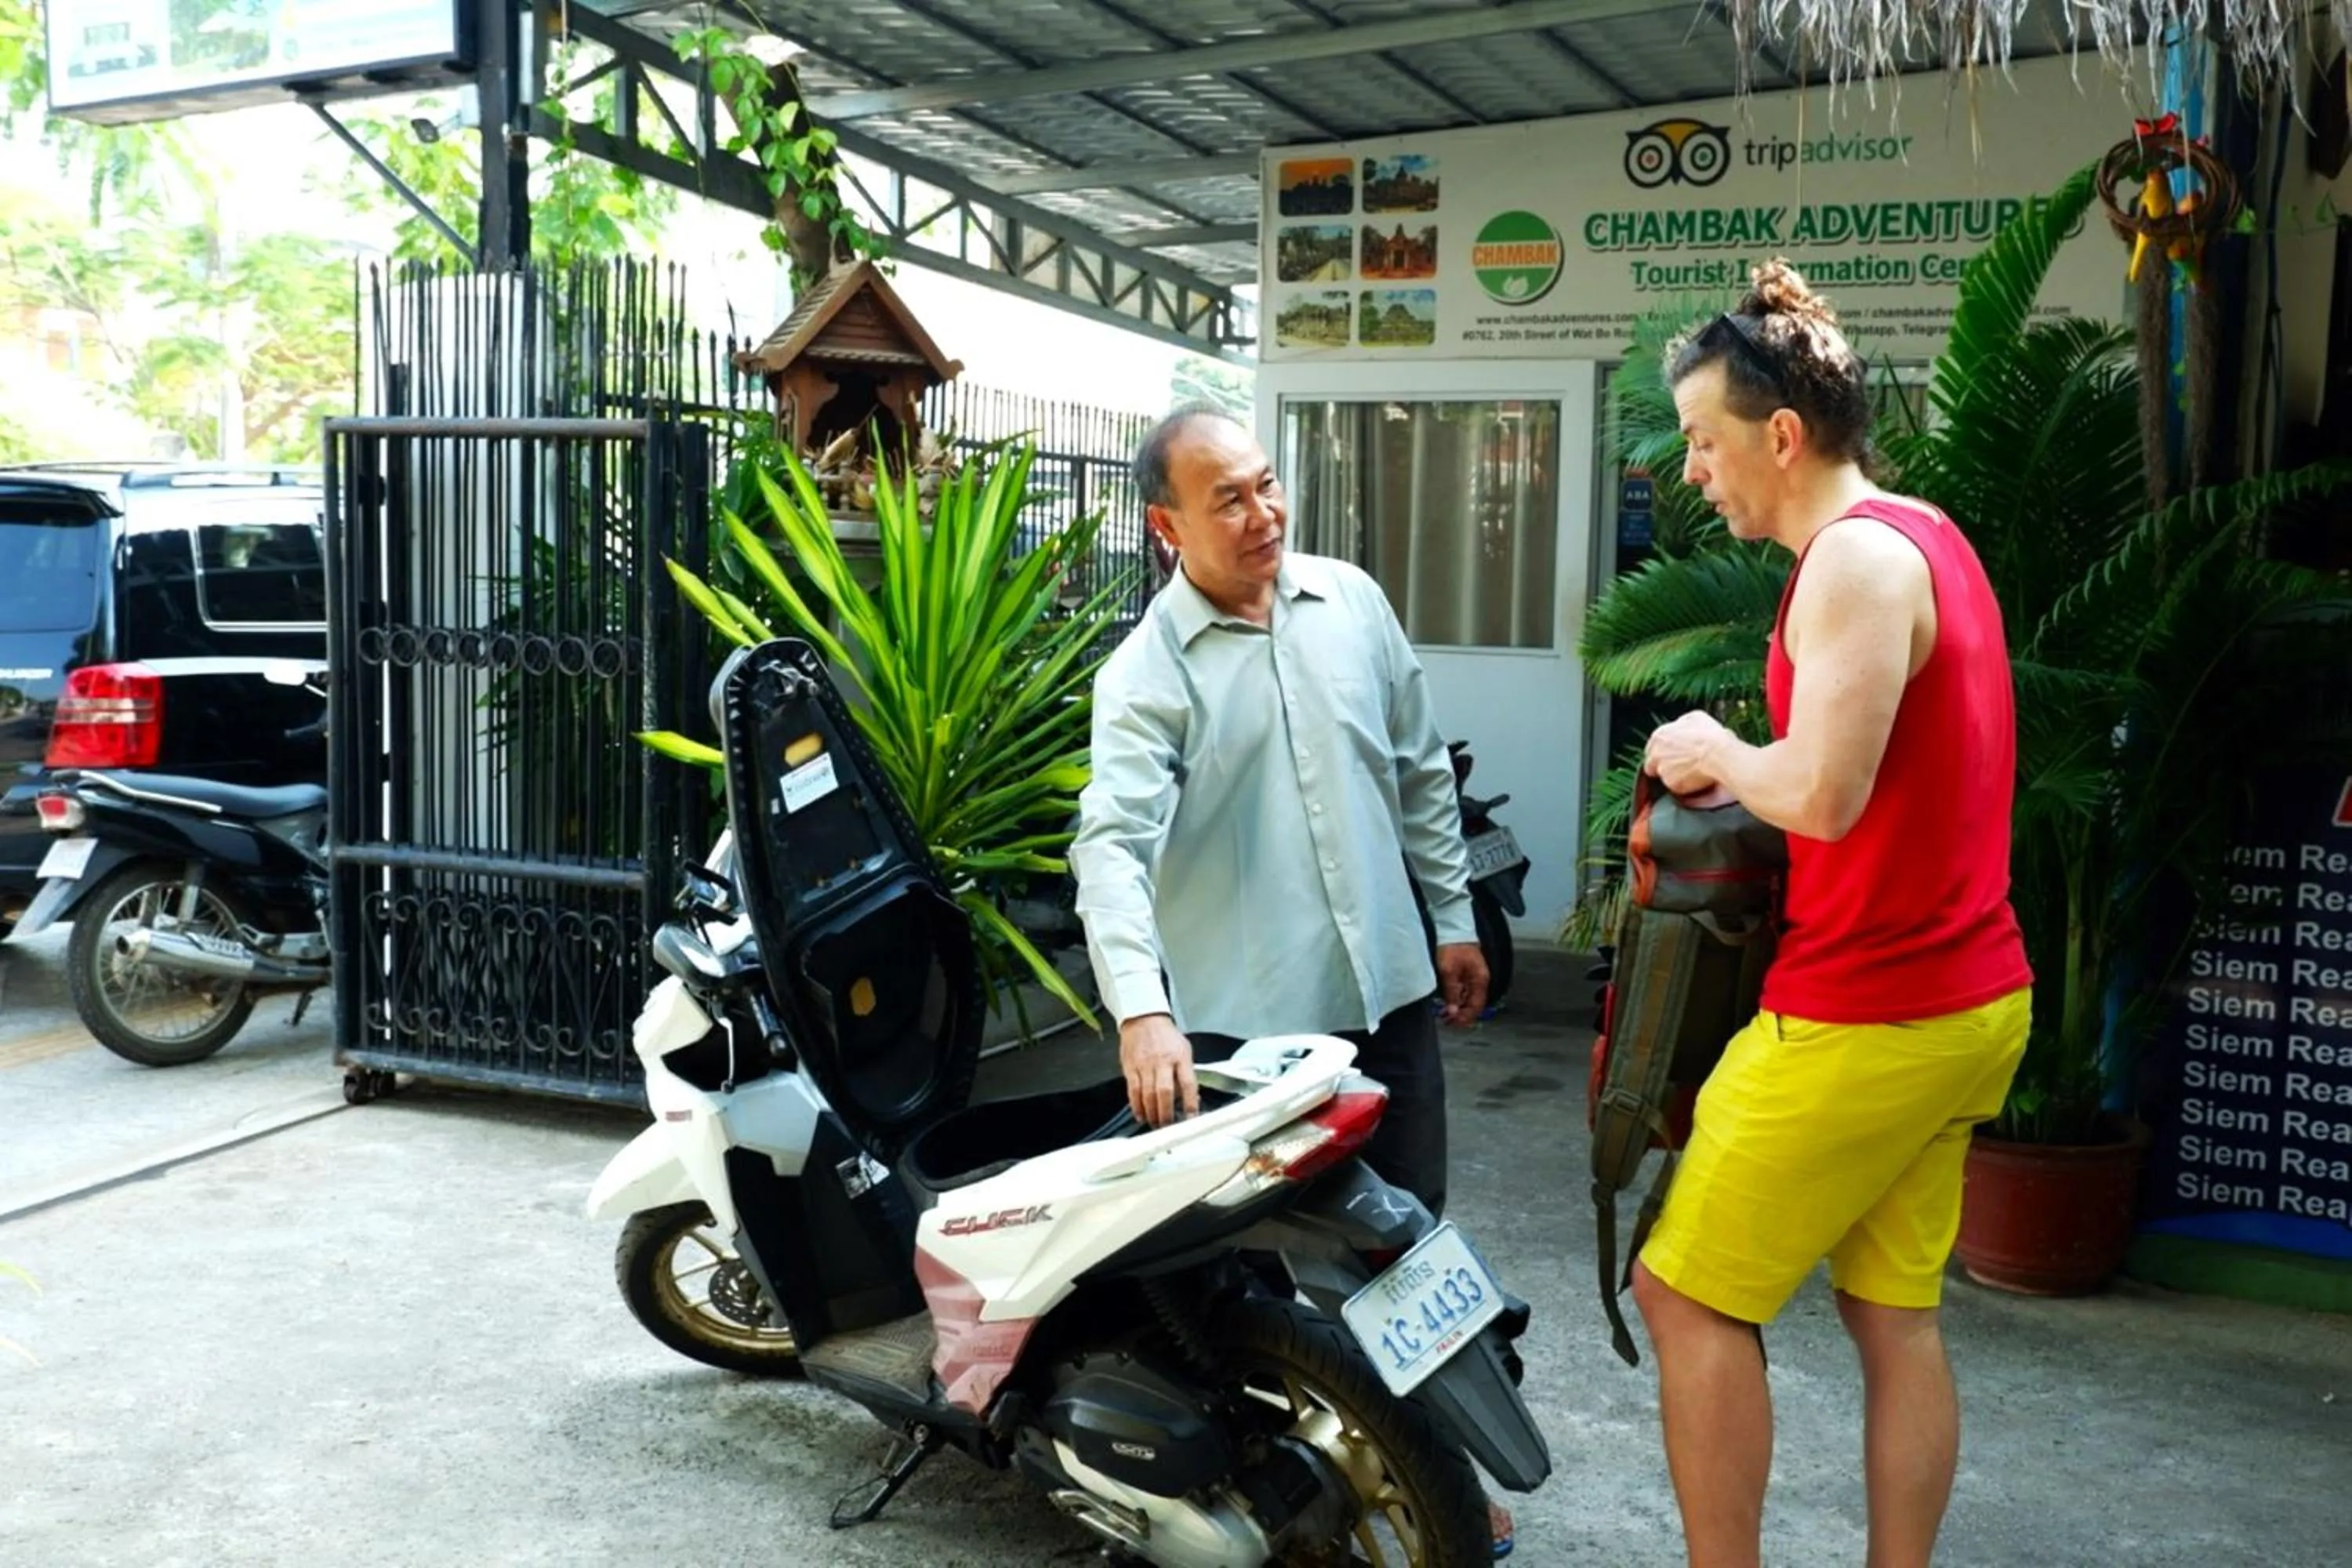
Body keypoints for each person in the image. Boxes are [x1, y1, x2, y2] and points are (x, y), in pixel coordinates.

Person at [1629, 261, 2034, 1568]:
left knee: (1682, 1292)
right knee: (1893, 1316)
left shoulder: (1849, 562)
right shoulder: (1925, 532)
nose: (1692, 471)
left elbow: (1822, 793)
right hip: (1968, 1002)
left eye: (1703, 441)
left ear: (1781, 437)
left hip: (1870, 1011)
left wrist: (1714, 748)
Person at [1069, 405, 1513, 1552]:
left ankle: (1438, 1475)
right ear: (1167, 526)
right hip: (1250, 1037)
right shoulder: (1146, 675)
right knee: (1262, 1283)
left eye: (1268, 486)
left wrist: (1454, 919)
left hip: (1391, 999)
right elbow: (1110, 846)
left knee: (1406, 1246)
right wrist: (1144, 1012)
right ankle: (1299, 1489)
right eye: (1228, 500)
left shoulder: (1350, 601)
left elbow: (1419, 770)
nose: (1263, 514)